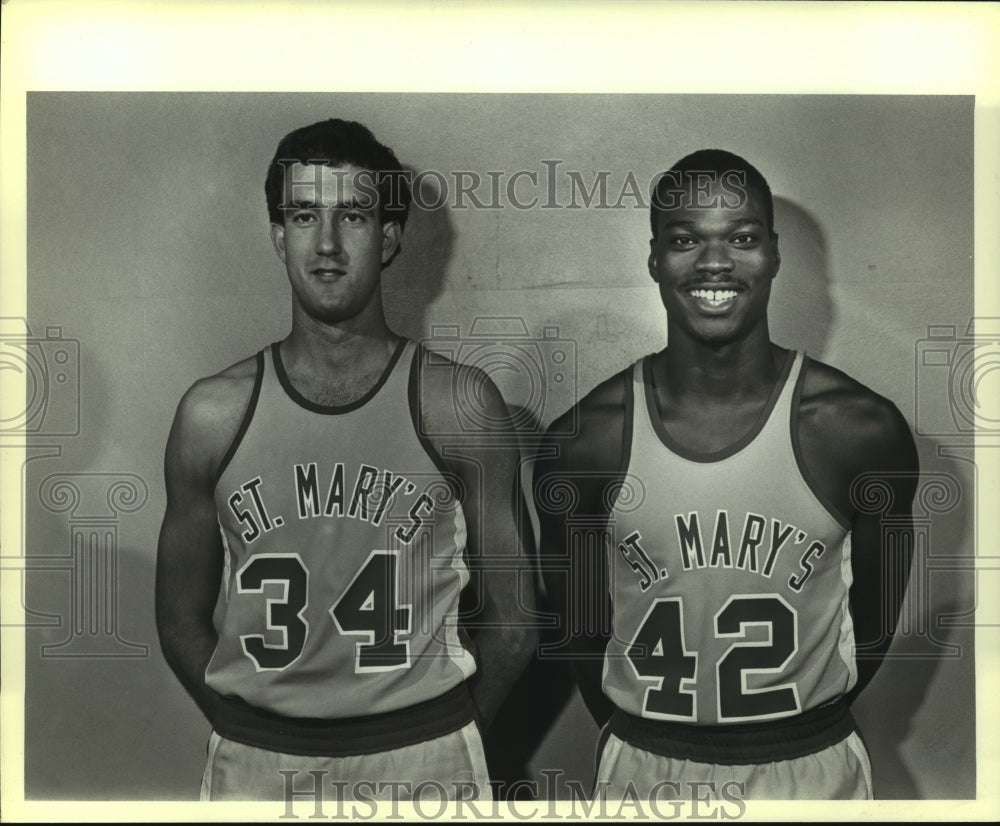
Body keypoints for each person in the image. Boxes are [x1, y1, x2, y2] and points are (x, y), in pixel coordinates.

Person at [156, 118, 536, 802]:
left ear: (388, 237)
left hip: (422, 761)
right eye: (304, 216)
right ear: (279, 236)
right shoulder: (213, 414)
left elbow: (516, 622)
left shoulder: (457, 405)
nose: (327, 244)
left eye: (353, 216)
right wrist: (248, 730)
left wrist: (451, 737)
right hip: (259, 766)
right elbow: (179, 619)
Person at [534, 149, 918, 801]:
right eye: (686, 240)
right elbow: (581, 634)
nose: (714, 263)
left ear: (773, 255)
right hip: (645, 768)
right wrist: (652, 737)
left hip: (809, 765)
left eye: (741, 238)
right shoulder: (585, 440)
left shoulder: (859, 431)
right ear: (655, 259)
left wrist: (797, 726)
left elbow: (872, 627)